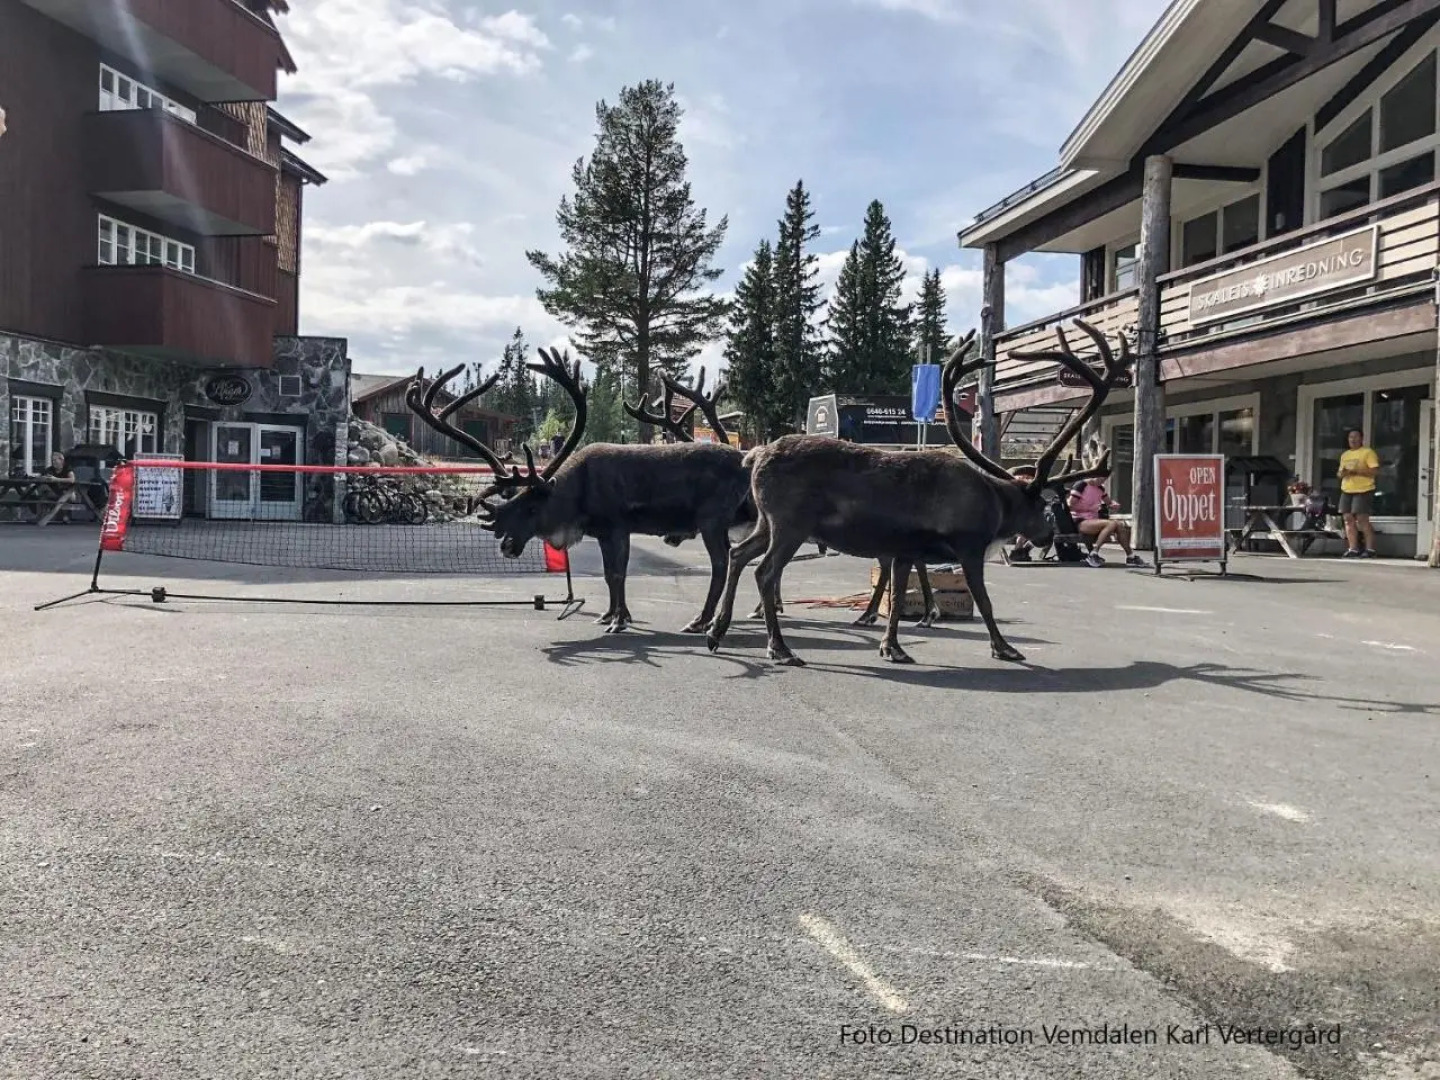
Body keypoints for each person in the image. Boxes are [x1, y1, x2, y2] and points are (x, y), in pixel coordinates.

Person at [1068, 476, 1144, 567]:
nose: (1101, 481)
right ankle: (1093, 554)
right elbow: (1070, 505)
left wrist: (1113, 505)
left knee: (1118, 525)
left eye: (1104, 479)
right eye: (1100, 478)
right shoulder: (1081, 485)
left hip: (1093, 520)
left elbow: (1109, 502)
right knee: (1111, 523)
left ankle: (1130, 556)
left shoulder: (1100, 488)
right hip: (1080, 520)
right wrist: (1088, 508)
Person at [1337, 428, 1380, 558]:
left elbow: (1375, 471)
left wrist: (1357, 471)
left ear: (1361, 438)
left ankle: (1370, 549)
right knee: (1347, 519)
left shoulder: (1368, 452)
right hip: (1347, 489)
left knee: (1362, 519)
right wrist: (1342, 473)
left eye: (1355, 437)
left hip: (1363, 489)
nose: (1353, 440)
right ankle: (1353, 548)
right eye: (1350, 437)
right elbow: (1339, 473)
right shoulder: (1345, 455)